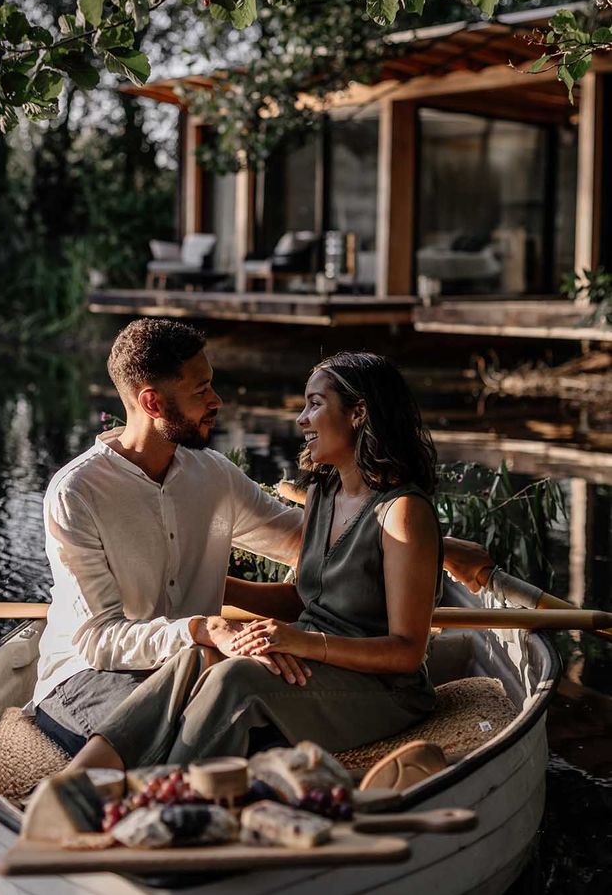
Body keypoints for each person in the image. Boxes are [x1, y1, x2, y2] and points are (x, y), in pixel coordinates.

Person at [65, 351, 444, 772]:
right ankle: (83, 779)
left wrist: (303, 643)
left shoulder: (404, 512)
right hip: (315, 659)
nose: (301, 419)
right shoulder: (324, 492)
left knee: (237, 681)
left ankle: (162, 795)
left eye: (315, 404)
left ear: (359, 413)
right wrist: (226, 604)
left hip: (385, 689)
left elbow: (408, 653)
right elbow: (310, 597)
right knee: (195, 657)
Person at [30, 317, 309, 756]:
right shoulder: (77, 493)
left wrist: (436, 546)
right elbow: (99, 640)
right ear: (153, 403)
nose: (216, 401)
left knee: (278, 733)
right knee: (182, 742)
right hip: (88, 675)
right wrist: (203, 628)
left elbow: (301, 539)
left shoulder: (214, 474)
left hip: (195, 667)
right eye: (201, 391)